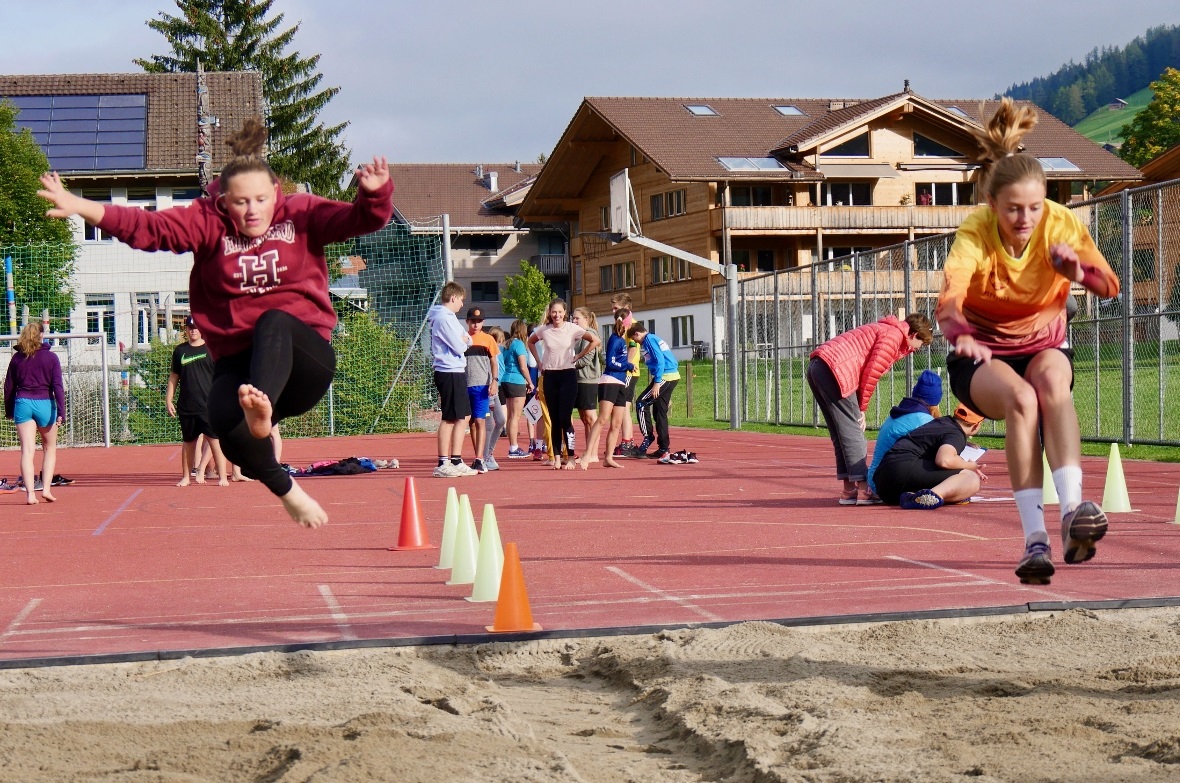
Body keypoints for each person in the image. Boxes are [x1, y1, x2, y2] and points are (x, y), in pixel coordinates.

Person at [37, 116, 393, 527]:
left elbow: (360, 221)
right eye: (240, 202)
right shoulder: (206, 222)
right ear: (223, 201)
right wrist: (82, 206)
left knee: (273, 320)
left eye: (261, 200)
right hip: (239, 362)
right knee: (227, 428)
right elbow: (148, 228)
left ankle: (263, 410)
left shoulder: (301, 212)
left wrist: (374, 194)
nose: (253, 211)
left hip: (303, 356)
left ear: (276, 193)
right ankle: (285, 486)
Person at [935, 97, 1120, 585]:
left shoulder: (1060, 223)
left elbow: (1109, 286)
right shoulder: (974, 232)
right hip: (982, 353)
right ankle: (1034, 538)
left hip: (1043, 344)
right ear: (992, 204)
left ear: (1046, 203)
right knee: (1021, 401)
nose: (1024, 220)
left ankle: (1072, 514)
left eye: (1034, 207)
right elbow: (950, 297)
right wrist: (960, 332)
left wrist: (1077, 271)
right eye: (1013, 209)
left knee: (1053, 386)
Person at [805, 312, 934, 506]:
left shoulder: (887, 330)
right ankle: (864, 490)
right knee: (853, 430)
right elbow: (871, 373)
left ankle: (849, 490)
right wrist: (862, 408)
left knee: (841, 431)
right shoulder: (893, 336)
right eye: (921, 344)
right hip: (836, 368)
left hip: (819, 365)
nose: (917, 350)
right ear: (914, 335)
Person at [528, 298, 600, 469]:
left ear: (565, 313)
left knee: (565, 418)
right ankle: (557, 458)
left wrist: (578, 356)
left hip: (568, 375)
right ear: (550, 313)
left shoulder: (572, 328)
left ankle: (571, 457)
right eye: (554, 312)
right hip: (550, 375)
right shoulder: (544, 330)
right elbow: (530, 342)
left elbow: (595, 341)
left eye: (560, 312)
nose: (557, 315)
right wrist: (539, 362)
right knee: (554, 419)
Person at [872, 403, 987, 509]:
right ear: (976, 425)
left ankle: (916, 496)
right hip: (903, 470)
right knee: (972, 478)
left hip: (884, 484)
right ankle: (932, 495)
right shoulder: (956, 433)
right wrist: (970, 466)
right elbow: (944, 461)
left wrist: (962, 465)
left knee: (960, 477)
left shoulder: (941, 422)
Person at [3, 321, 65, 505]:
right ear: (41, 335)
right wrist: (61, 411)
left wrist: (9, 410)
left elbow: (8, 387)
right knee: (49, 448)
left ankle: (30, 494)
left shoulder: (17, 358)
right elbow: (58, 387)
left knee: (27, 451)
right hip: (45, 403)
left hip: (23, 403)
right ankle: (46, 489)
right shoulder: (51, 358)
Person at [166, 317, 228, 486]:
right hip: (187, 406)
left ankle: (222, 476)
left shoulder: (211, 349)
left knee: (215, 441)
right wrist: (169, 399)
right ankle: (186, 477)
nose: (193, 330)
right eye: (190, 327)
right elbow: (174, 377)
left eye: (195, 327)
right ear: (185, 330)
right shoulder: (180, 351)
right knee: (188, 442)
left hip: (209, 405)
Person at [866, 369, 943, 496]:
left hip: (874, 479)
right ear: (936, 400)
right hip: (889, 481)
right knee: (954, 472)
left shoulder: (897, 414)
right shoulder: (923, 420)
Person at [576, 309, 636, 469]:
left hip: (621, 383)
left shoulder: (623, 339)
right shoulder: (615, 339)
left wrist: (627, 366)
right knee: (602, 419)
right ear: (627, 322)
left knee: (616, 423)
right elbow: (610, 363)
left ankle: (608, 457)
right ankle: (587, 454)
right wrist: (628, 365)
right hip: (610, 381)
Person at [428, 281, 476, 478]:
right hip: (448, 371)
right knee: (449, 417)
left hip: (456, 370)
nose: (462, 305)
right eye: (462, 300)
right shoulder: (443, 319)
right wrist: (463, 341)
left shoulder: (451, 318)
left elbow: (468, 338)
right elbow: (460, 346)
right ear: (453, 297)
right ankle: (443, 462)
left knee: (463, 416)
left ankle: (456, 459)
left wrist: (464, 340)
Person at [626, 321, 681, 462]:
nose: (635, 342)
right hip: (670, 377)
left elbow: (660, 360)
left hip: (665, 377)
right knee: (659, 412)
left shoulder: (649, 339)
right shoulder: (653, 339)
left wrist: (657, 383)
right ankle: (663, 448)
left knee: (641, 403)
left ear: (637, 334)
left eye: (634, 339)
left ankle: (647, 437)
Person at [463, 306, 499, 474]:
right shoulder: (462, 339)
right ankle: (476, 457)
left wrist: (494, 381)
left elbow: (494, 361)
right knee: (470, 423)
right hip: (464, 385)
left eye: (479, 321)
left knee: (480, 421)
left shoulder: (488, 339)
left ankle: (480, 458)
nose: (476, 324)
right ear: (467, 321)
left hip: (482, 385)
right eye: (473, 321)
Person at [610, 293, 641, 456]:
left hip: (629, 371)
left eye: (616, 308)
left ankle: (627, 442)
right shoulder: (622, 324)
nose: (613, 311)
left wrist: (625, 367)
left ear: (626, 309)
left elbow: (633, 347)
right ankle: (626, 441)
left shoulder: (631, 325)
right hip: (624, 370)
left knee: (623, 407)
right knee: (622, 406)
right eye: (612, 308)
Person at [572, 306, 603, 460]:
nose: (574, 320)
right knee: (584, 418)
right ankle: (589, 451)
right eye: (573, 318)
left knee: (590, 417)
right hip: (579, 379)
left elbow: (586, 359)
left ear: (586, 319)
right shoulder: (578, 335)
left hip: (588, 379)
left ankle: (593, 453)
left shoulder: (589, 335)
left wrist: (569, 362)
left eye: (577, 318)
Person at [501, 320, 533, 458]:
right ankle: (514, 448)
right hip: (516, 381)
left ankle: (512, 445)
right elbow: (523, 366)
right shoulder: (519, 344)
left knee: (510, 416)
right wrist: (530, 382)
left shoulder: (506, 344)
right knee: (515, 416)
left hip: (506, 380)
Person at [482, 325, 508, 471]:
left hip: (495, 389)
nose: (501, 343)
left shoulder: (499, 352)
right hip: (488, 390)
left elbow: (500, 369)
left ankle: (489, 452)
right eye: (500, 340)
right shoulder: (489, 352)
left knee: (501, 420)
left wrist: (496, 382)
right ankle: (485, 457)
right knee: (489, 423)